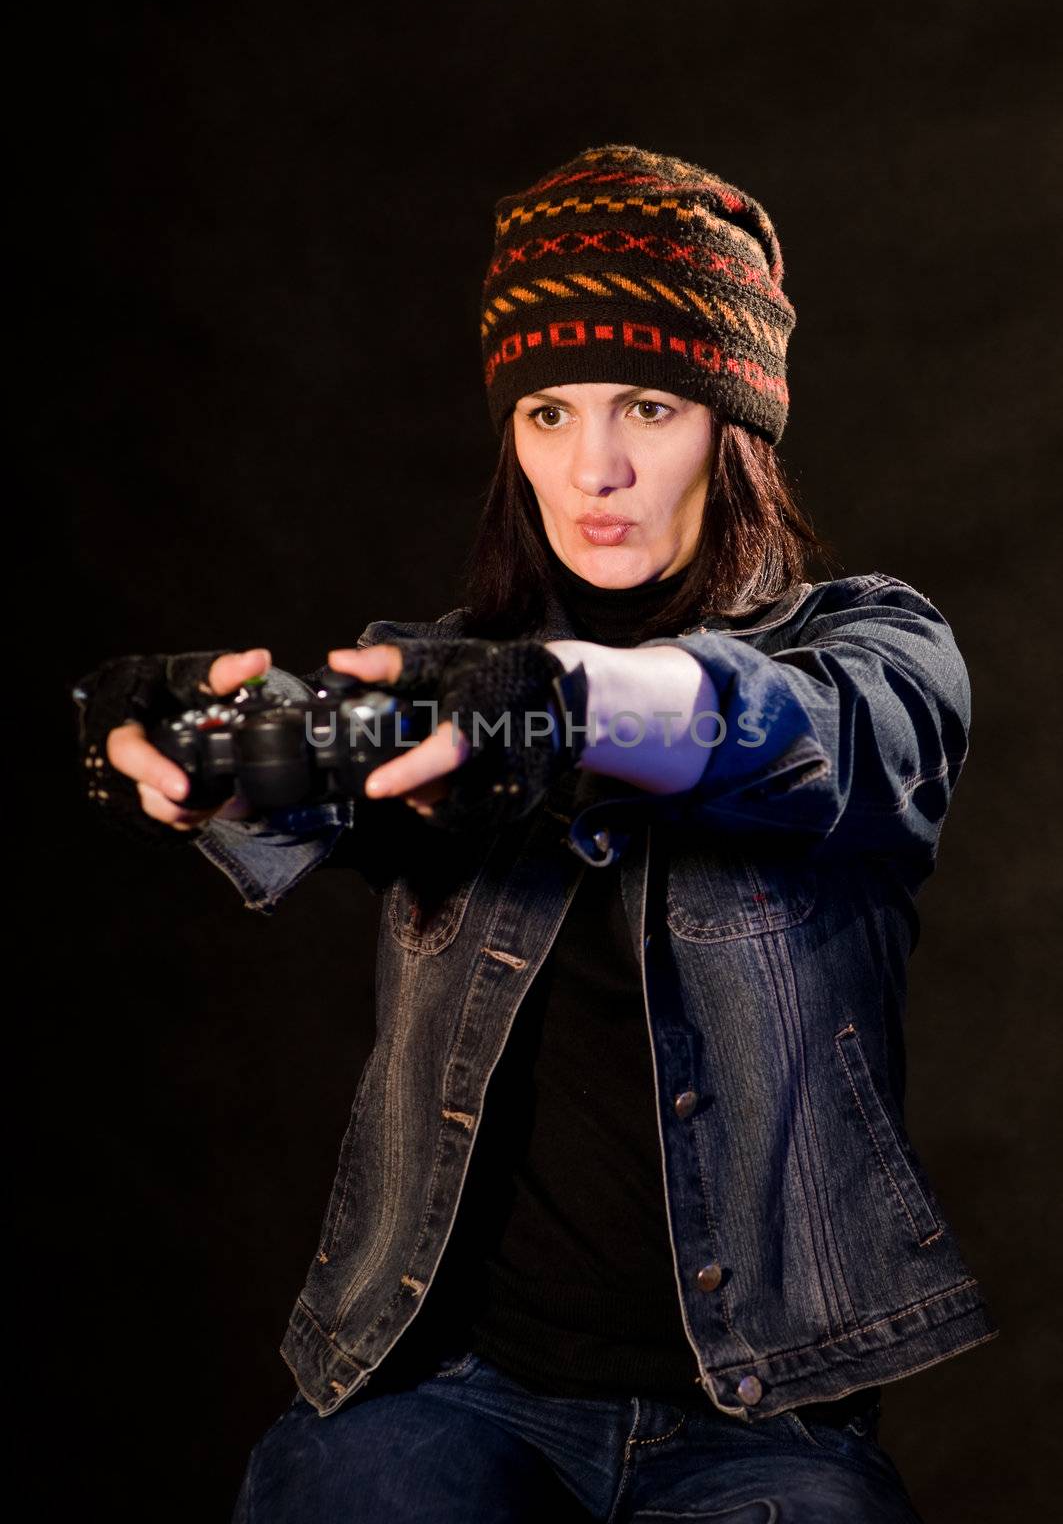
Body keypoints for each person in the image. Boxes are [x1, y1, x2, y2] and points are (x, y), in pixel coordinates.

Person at [73, 144, 999, 1523]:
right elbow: (280, 792)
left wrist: (556, 710)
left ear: (733, 425)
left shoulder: (879, 653)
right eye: (550, 414)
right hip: (456, 1393)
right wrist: (162, 744)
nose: (598, 467)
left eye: (648, 405)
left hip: (763, 1425)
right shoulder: (440, 681)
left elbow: (784, 730)